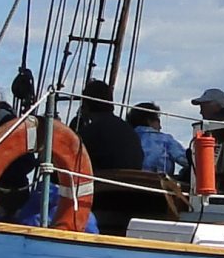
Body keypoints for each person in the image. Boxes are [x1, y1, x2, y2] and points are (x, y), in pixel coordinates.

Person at [72, 78, 152, 236]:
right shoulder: (127, 130)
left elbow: (70, 162)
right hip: (132, 200)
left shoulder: (89, 132)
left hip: (102, 200)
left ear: (86, 105)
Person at [128, 101, 189, 184]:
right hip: (157, 189)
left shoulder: (125, 138)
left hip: (127, 186)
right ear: (149, 121)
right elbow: (188, 161)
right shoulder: (165, 140)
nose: (161, 127)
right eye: (158, 121)